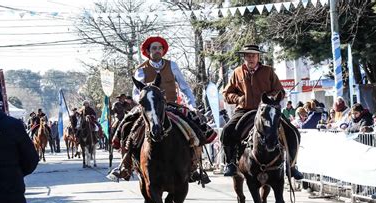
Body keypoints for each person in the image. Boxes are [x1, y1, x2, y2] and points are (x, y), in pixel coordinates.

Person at [108, 36, 211, 183]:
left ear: (163, 51)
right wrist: (145, 102)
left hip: (171, 106)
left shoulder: (172, 66)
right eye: (154, 49)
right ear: (148, 52)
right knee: (126, 125)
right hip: (149, 107)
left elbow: (184, 87)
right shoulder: (141, 70)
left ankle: (195, 166)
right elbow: (136, 94)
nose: (157, 51)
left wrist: (192, 106)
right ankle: (125, 165)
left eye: (159, 48)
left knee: (196, 126)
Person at [221, 44, 301, 179]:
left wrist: (271, 98)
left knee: (293, 132)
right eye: (248, 56)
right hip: (244, 110)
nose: (250, 58)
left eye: (253, 55)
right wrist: (237, 98)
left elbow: (279, 90)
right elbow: (226, 93)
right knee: (227, 130)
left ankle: (292, 166)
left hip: (267, 109)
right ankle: (230, 163)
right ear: (244, 57)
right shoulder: (237, 72)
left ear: (258, 57)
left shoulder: (268, 71)